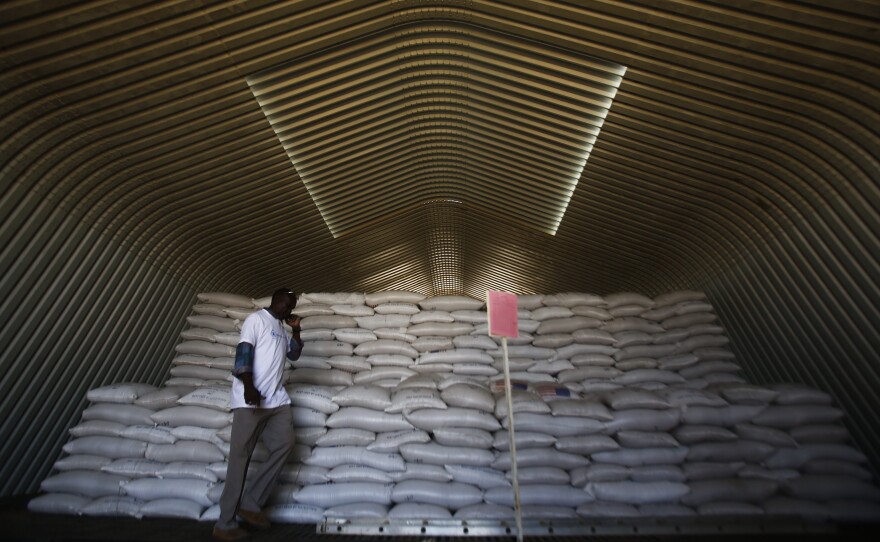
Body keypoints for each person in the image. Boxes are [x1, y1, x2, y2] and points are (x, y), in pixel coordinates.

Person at [213, 288, 303, 541]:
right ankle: (225, 522)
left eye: (292, 306)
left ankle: (251, 502)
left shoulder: (281, 329)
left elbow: (294, 355)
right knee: (240, 459)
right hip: (250, 401)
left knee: (285, 443)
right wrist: (249, 387)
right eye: (286, 303)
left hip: (276, 401)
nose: (288, 309)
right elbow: (243, 353)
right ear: (275, 300)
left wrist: (296, 329)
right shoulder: (256, 320)